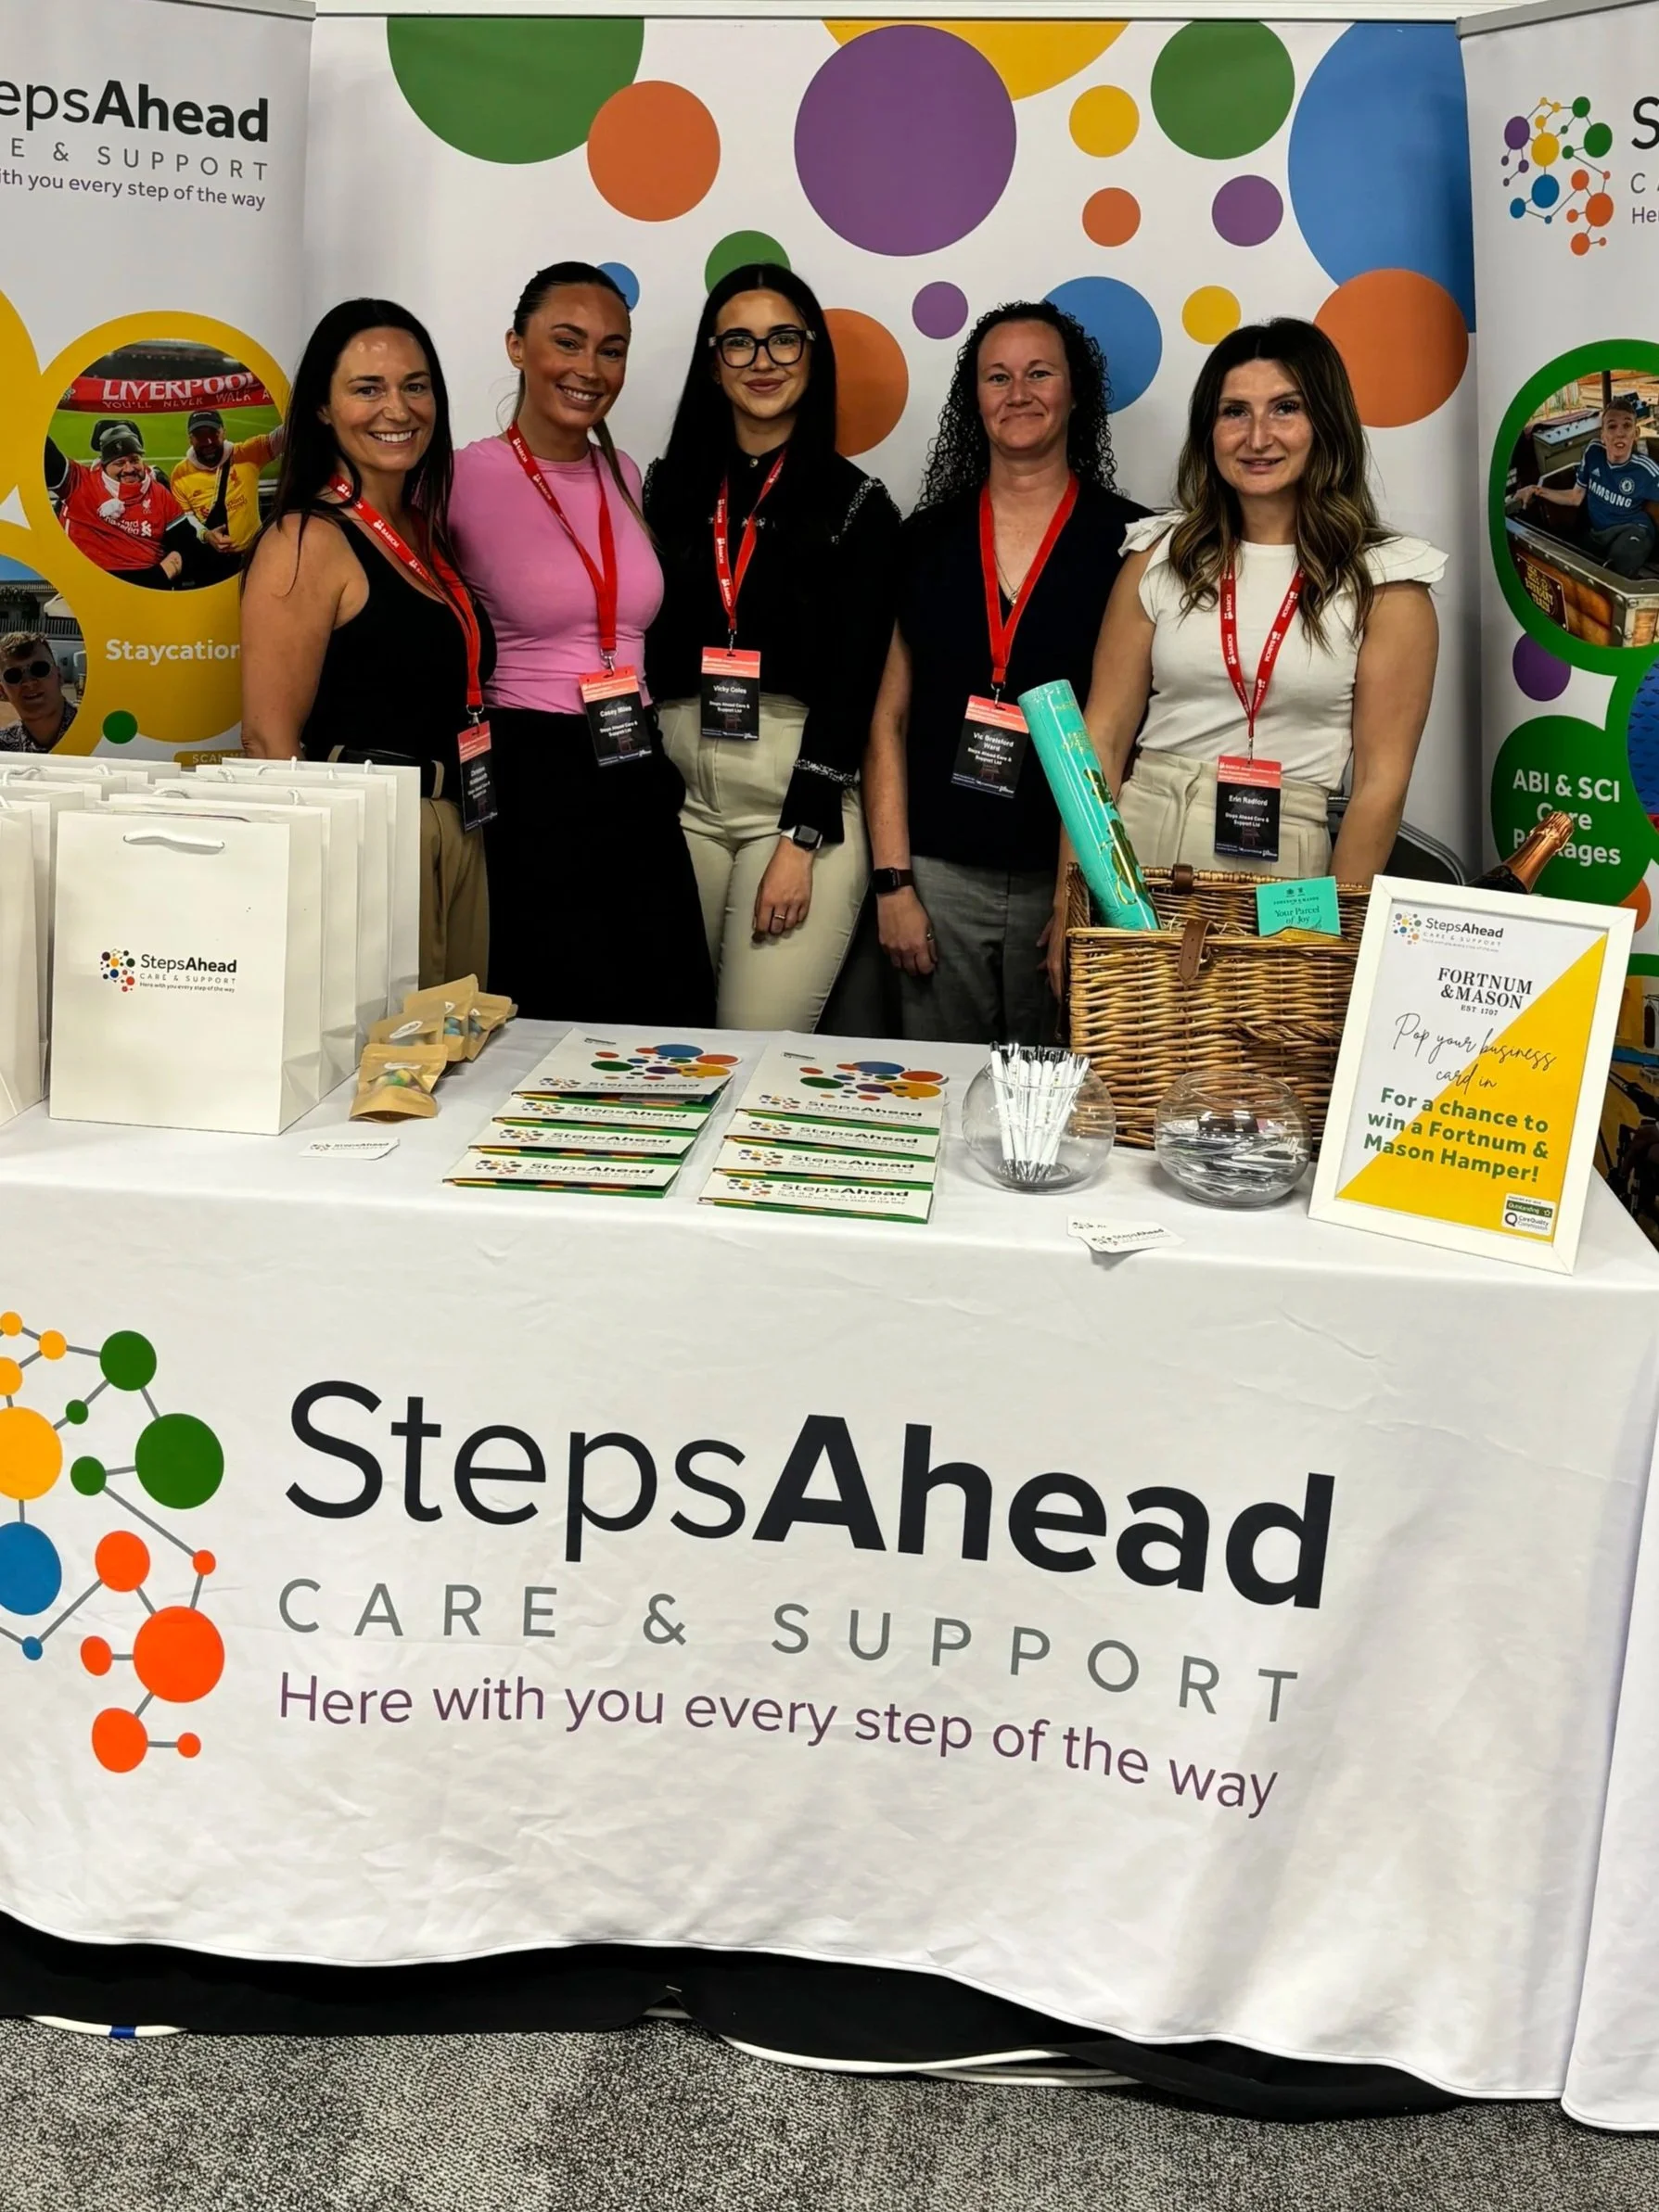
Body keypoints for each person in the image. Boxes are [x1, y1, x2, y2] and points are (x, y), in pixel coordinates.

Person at [1071, 317, 1442, 935]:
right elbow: (1101, 739)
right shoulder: (1157, 554)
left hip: (1286, 867)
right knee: (1126, 1031)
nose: (1257, 436)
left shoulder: (1387, 580)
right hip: (1135, 855)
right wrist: (1072, 898)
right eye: (1233, 412)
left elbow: (1381, 784)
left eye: (1285, 409)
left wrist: (1332, 935)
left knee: (1263, 1035)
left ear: (1325, 422)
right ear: (1208, 431)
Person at [864, 300, 1145, 1046]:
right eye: (997, 377)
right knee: (939, 1101)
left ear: (1075, 393)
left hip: (1066, 871)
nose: (1017, 393)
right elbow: (885, 721)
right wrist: (892, 883)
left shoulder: (1134, 544)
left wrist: (1078, 897)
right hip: (936, 876)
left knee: (1058, 1100)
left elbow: (1125, 731)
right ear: (974, 399)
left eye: (1038, 373)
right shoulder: (923, 537)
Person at [448, 261, 712, 1026]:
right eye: (567, 342)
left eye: (611, 349)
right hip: (533, 772)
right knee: (560, 1015)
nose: (590, 369)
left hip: (632, 757)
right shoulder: (461, 478)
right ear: (516, 346)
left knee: (668, 1013)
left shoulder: (623, 472)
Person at [644, 263, 898, 1030]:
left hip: (787, 807)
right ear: (711, 361)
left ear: (812, 355)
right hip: (675, 800)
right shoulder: (663, 489)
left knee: (750, 1046)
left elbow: (854, 687)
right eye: (739, 344)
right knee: (665, 1033)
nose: (762, 362)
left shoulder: (858, 505)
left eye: (783, 340)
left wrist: (802, 838)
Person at [240, 298, 491, 990]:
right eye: (367, 388)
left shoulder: (426, 532)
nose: (397, 408)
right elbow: (268, 742)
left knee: (452, 1059)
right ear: (322, 409)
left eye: (415, 386)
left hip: (455, 825)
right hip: (366, 838)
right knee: (384, 1075)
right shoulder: (306, 539)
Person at [1515, 396, 1659, 578]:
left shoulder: (1646, 470)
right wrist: (1536, 489)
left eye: (1627, 426)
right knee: (1570, 557)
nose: (1620, 433)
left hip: (1631, 529)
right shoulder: (1593, 453)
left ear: (1636, 433)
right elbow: (1575, 497)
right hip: (1597, 533)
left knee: (1632, 546)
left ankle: (1614, 579)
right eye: (1612, 426)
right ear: (1603, 435)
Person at [45, 422, 193, 587]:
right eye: (120, 463)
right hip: (92, 585)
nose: (129, 469)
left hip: (150, 585)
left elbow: (185, 543)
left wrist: (160, 575)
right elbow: (46, 455)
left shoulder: (159, 493)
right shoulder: (80, 482)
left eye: (134, 460)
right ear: (105, 465)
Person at [171, 408, 287, 582]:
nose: (208, 441)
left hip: (254, 556)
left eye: (213, 433)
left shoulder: (247, 454)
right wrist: (206, 535)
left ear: (224, 432)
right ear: (190, 439)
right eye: (200, 436)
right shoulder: (180, 474)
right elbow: (186, 517)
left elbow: (286, 435)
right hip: (210, 563)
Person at [0, 633, 76, 752]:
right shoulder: (4, 749)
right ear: (2, 691)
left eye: (40, 669)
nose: (29, 683)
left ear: (59, 676)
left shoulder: (100, 736)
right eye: (14, 675)